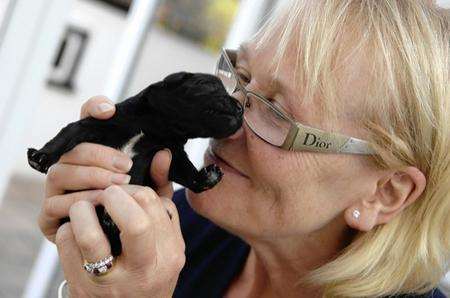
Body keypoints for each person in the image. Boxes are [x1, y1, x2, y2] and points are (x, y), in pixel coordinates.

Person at [38, 0, 449, 297]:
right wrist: (95, 261)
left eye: (276, 113)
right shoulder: (185, 228)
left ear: (386, 192)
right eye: (242, 75)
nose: (230, 122)